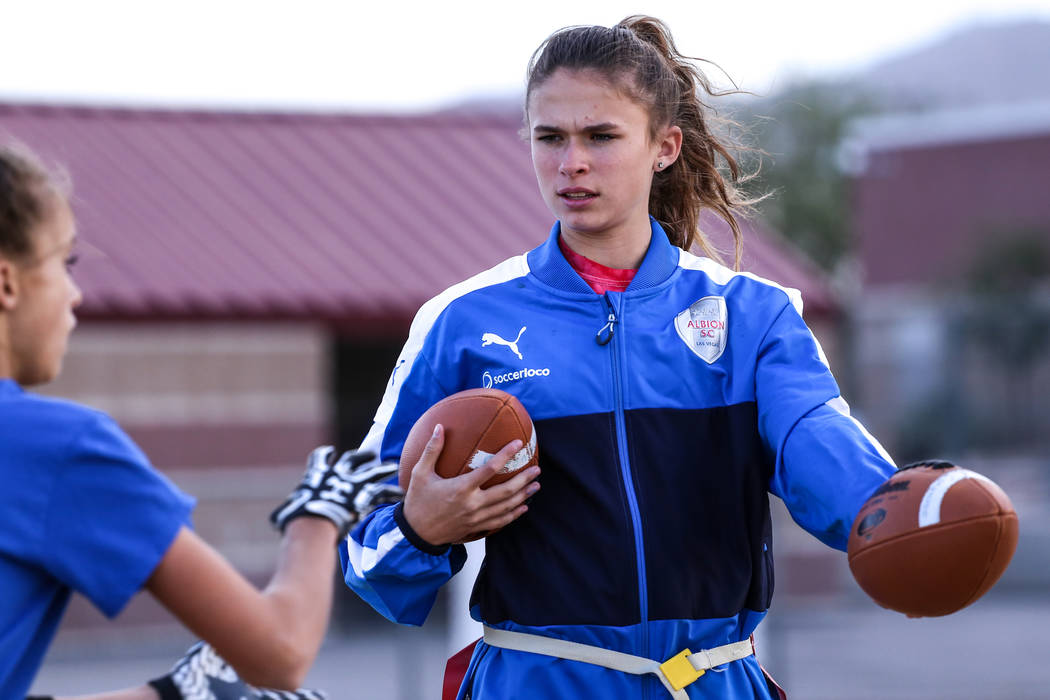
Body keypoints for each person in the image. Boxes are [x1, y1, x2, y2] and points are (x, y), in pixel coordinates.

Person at [341, 15, 898, 700]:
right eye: (550, 138)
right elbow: (364, 552)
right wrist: (419, 529)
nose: (570, 162)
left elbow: (822, 448)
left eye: (600, 136)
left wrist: (899, 513)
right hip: (535, 682)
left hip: (715, 682)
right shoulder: (461, 321)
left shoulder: (755, 315)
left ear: (663, 147)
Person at [0, 141, 401, 700]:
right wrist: (320, 513)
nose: (75, 293)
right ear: (8, 282)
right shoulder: (54, 446)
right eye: (63, 263)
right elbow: (279, 652)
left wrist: (173, 694)